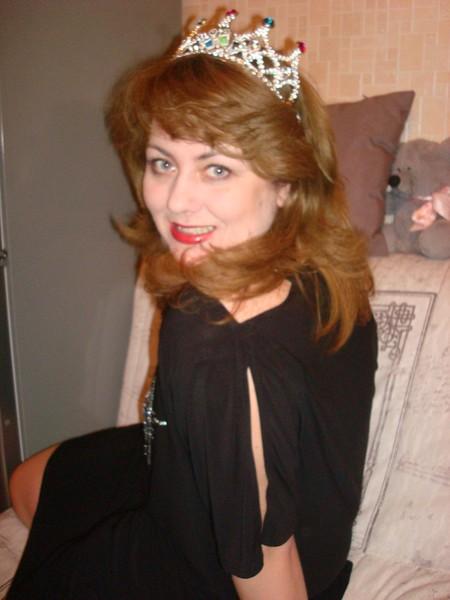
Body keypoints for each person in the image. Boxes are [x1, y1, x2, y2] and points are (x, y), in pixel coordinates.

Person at [7, 11, 377, 600]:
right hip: (205, 475)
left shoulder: (210, 333)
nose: (176, 201)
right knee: (30, 481)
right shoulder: (328, 266)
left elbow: (267, 565)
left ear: (286, 181)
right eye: (163, 163)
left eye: (217, 168)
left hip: (199, 568)